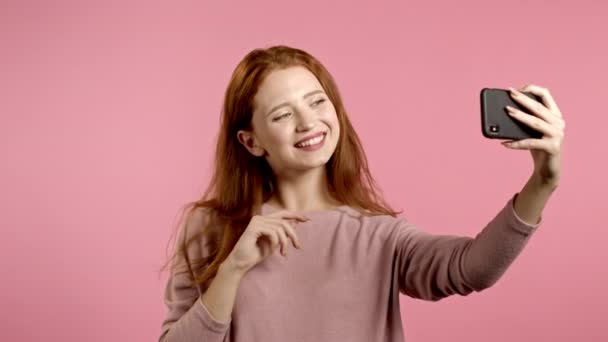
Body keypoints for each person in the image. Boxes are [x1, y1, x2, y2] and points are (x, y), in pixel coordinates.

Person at [158, 45, 565, 342]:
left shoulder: (377, 234)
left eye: (317, 102)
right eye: (282, 114)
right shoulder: (210, 228)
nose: (307, 121)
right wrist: (232, 270)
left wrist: (542, 182)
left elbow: (471, 269)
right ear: (251, 142)